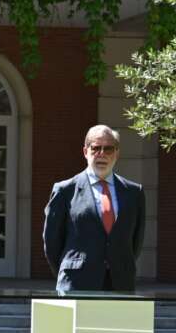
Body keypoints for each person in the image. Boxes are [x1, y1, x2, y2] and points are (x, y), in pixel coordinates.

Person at [43, 124, 146, 292]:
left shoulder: (134, 193)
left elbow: (136, 242)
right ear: (85, 152)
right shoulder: (65, 190)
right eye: (96, 148)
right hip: (76, 284)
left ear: (117, 153)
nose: (102, 154)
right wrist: (70, 269)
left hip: (120, 283)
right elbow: (52, 242)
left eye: (108, 149)